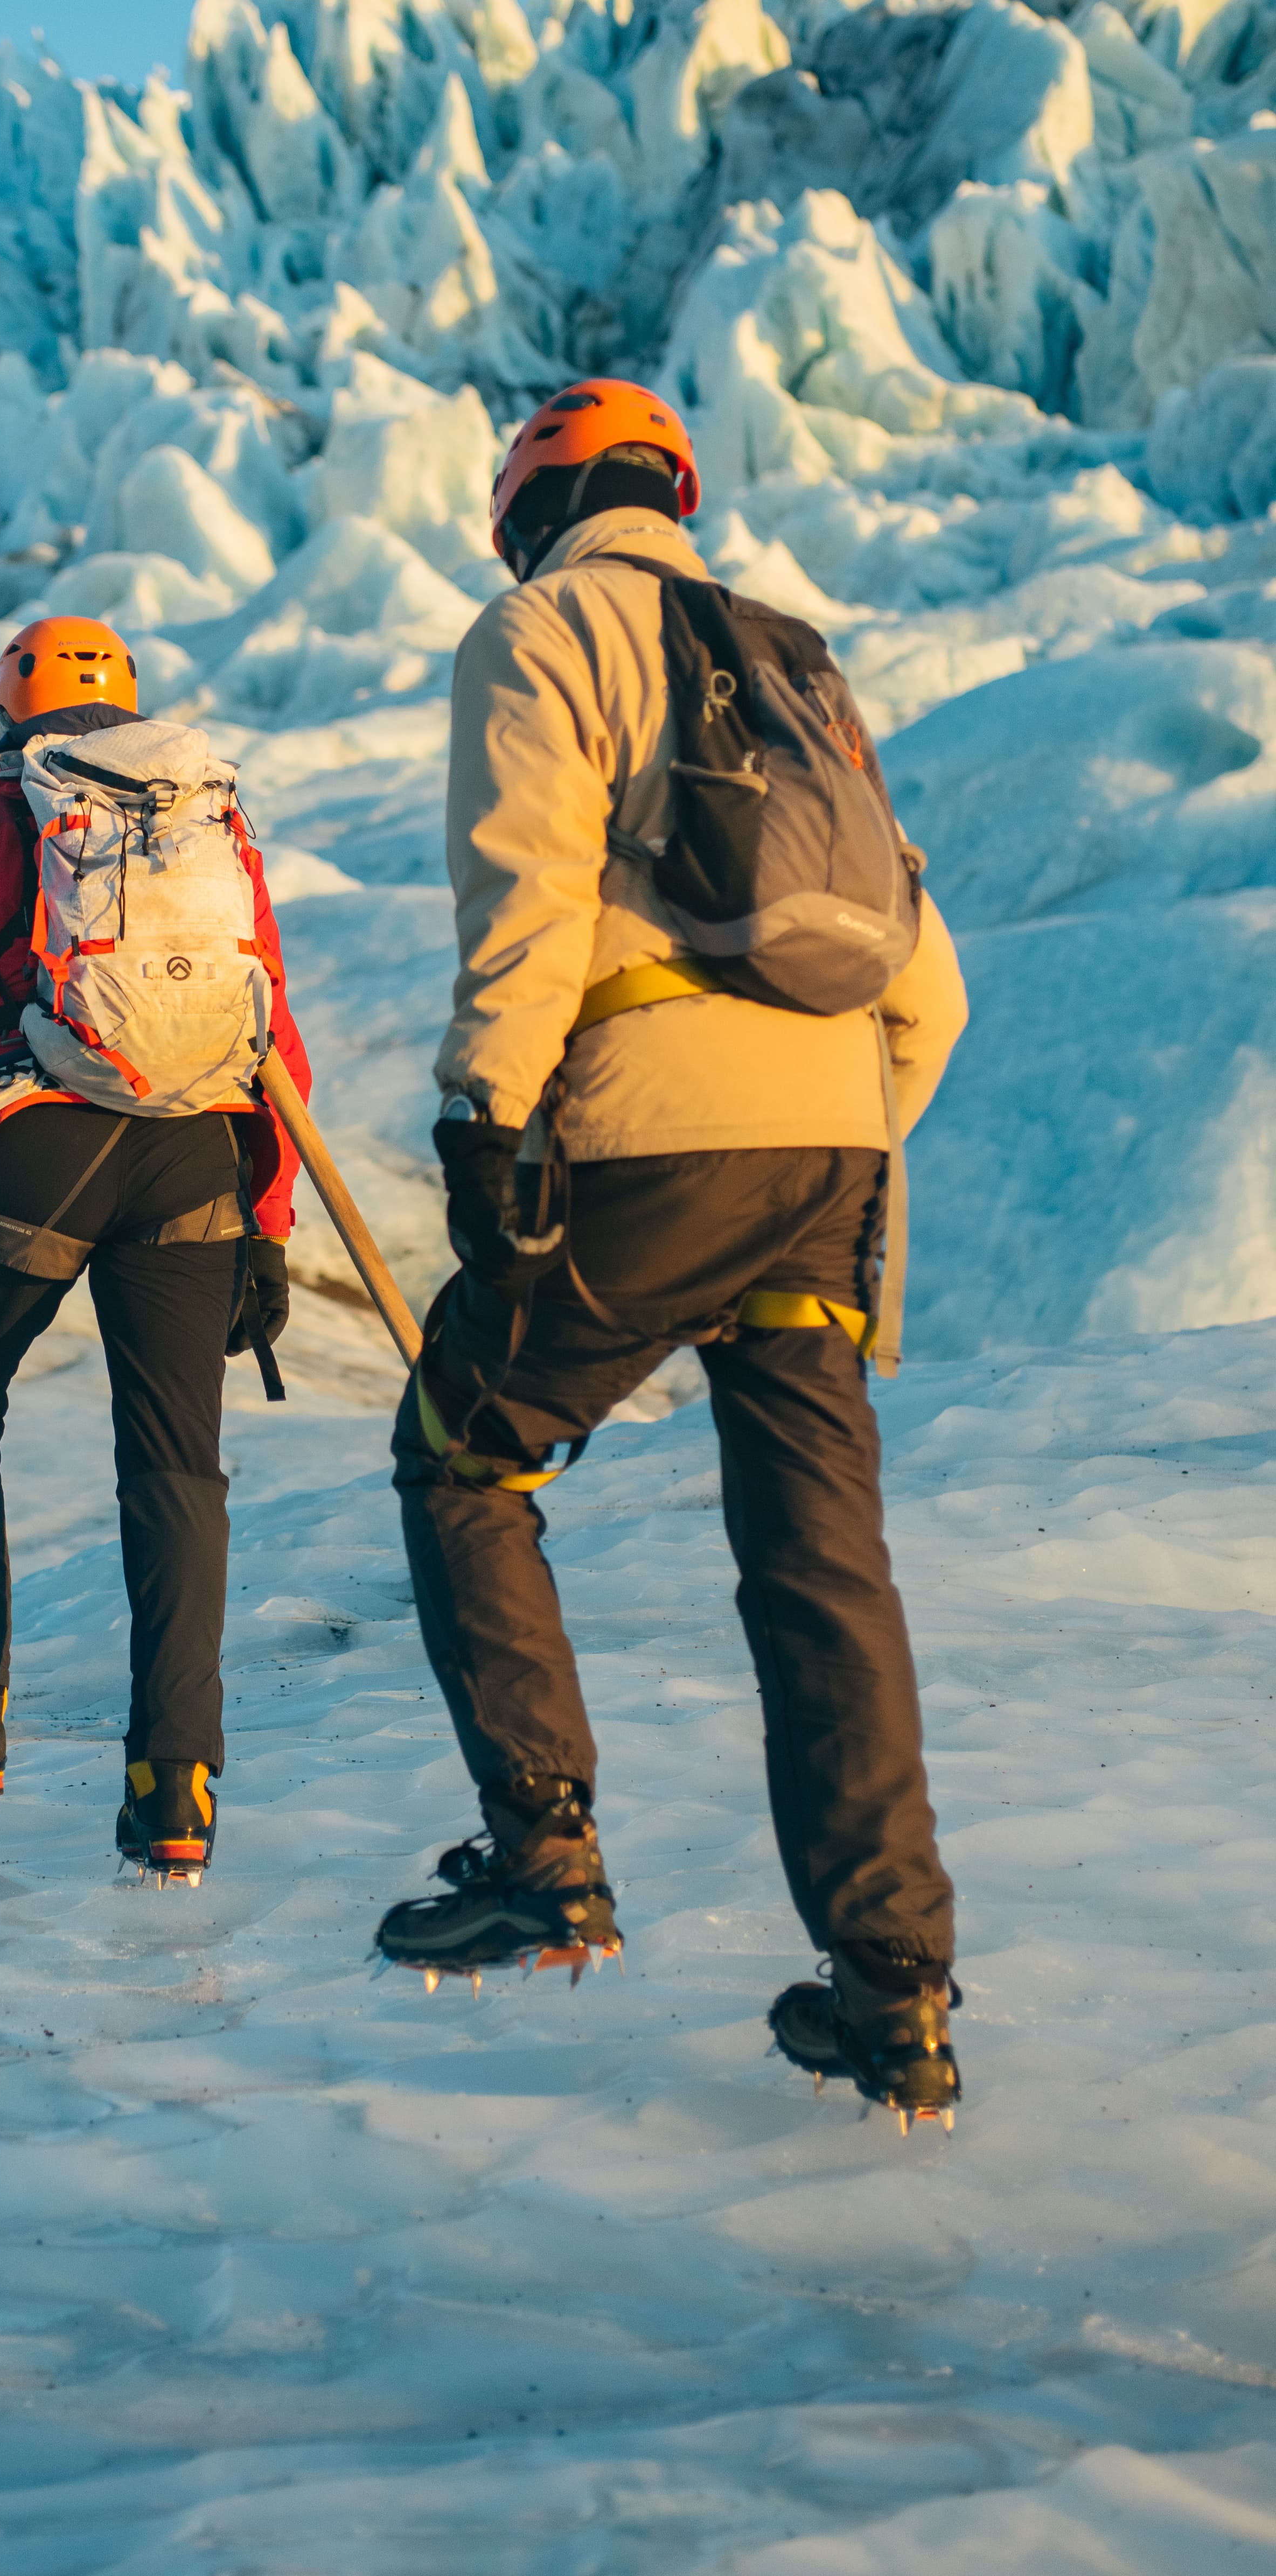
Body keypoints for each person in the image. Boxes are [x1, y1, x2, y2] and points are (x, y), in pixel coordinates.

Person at [374, 381, 972, 2123]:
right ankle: (897, 1996)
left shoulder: (545, 629)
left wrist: (492, 1119)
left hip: (654, 1130)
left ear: (528, 508)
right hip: (834, 1152)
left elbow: (529, 890)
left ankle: (543, 1852)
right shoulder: (796, 657)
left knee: (461, 1452)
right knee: (822, 1573)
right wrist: (834, 1126)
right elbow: (928, 979)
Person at [0, 614, 311, 1882]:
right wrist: (269, 1221)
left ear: (8, 719)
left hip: (35, 1150)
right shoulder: (212, 829)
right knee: (176, 1466)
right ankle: (176, 1781)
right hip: (198, 1151)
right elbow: (271, 1030)